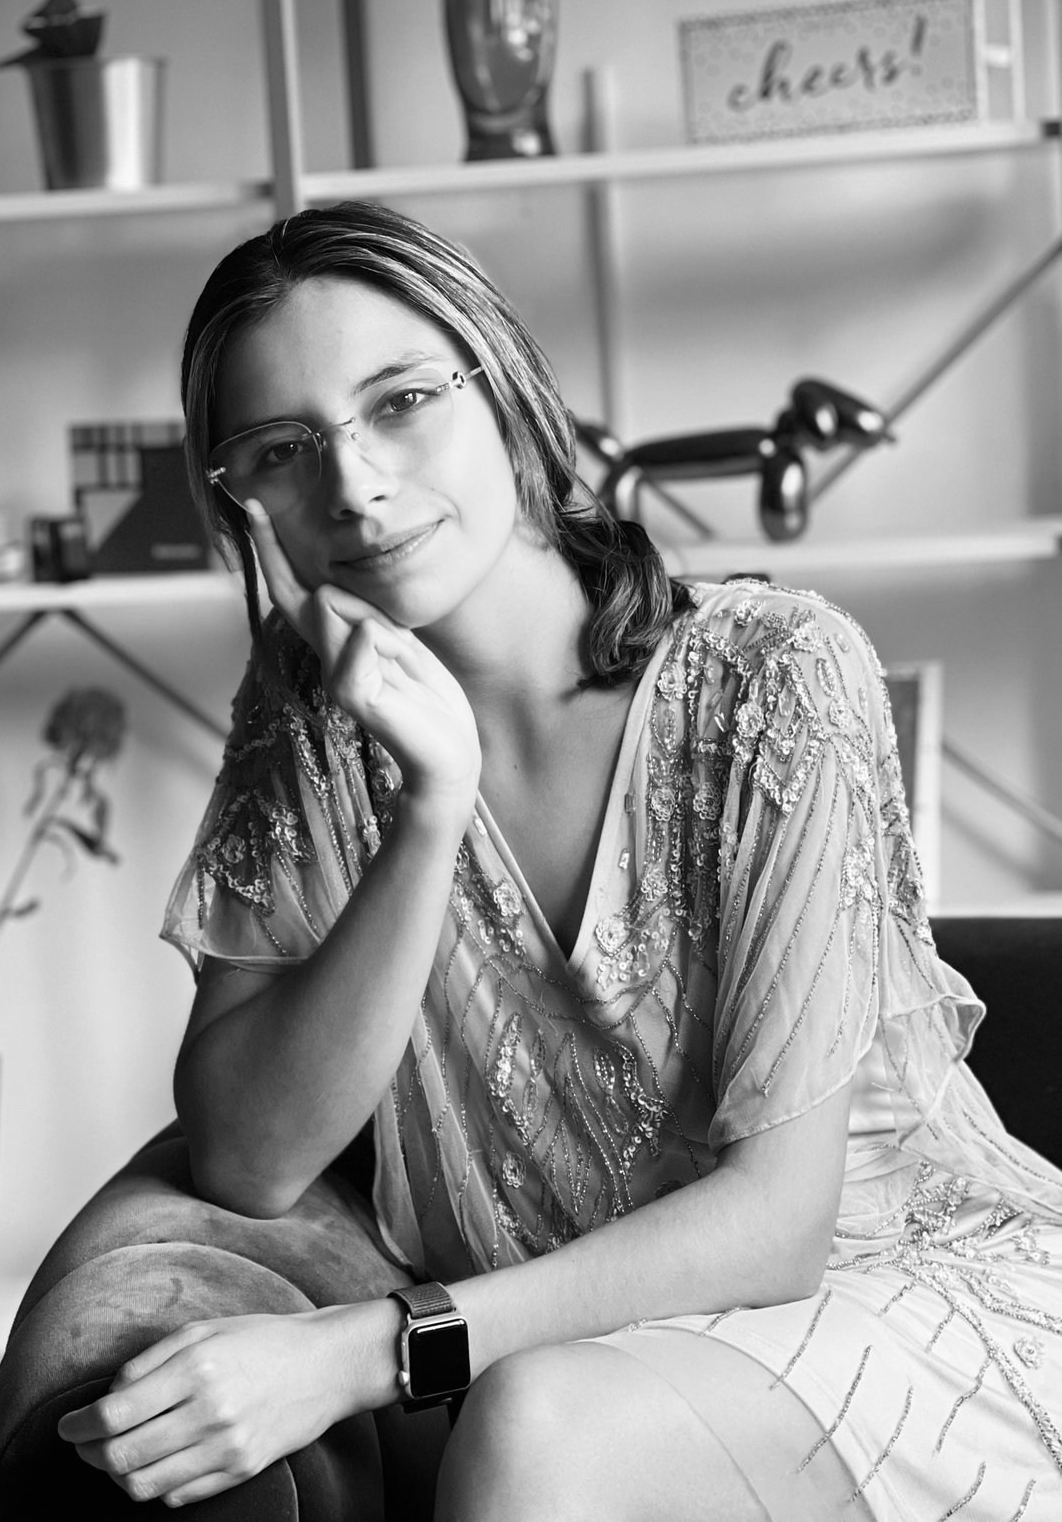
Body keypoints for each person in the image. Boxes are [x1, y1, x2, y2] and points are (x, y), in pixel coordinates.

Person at [58, 201, 1062, 1519]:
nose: (353, 483)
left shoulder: (775, 679)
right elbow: (248, 1158)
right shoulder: (305, 723)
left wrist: (367, 1354)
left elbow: (778, 1225)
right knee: (545, 1410)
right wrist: (430, 813)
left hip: (902, 1297)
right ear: (244, 506)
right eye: (280, 451)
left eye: (402, 400)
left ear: (509, 393)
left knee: (537, 1425)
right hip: (596, 1350)